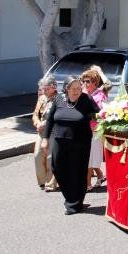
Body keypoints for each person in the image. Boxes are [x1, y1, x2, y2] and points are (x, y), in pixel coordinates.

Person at [41, 76, 100, 215]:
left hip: (80, 142)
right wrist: (45, 139)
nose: (76, 91)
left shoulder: (86, 99)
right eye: (73, 89)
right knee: (57, 168)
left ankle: (74, 204)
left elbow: (99, 113)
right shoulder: (59, 99)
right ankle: (71, 197)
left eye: (79, 88)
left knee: (77, 172)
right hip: (59, 140)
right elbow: (50, 119)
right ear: (66, 89)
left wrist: (95, 118)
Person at [81, 67, 108, 192]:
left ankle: (87, 184)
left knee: (90, 158)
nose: (85, 84)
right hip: (83, 130)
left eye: (88, 81)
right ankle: (101, 176)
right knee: (88, 157)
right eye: (83, 81)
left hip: (94, 131)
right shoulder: (83, 93)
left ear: (95, 83)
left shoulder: (99, 95)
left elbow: (101, 114)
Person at [32, 76, 59, 192]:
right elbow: (35, 114)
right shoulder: (42, 98)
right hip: (41, 132)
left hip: (53, 131)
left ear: (53, 87)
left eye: (47, 89)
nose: (44, 91)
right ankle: (42, 181)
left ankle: (50, 183)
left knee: (50, 157)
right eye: (43, 89)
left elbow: (59, 117)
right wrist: (37, 123)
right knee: (37, 155)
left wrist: (46, 123)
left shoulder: (59, 99)